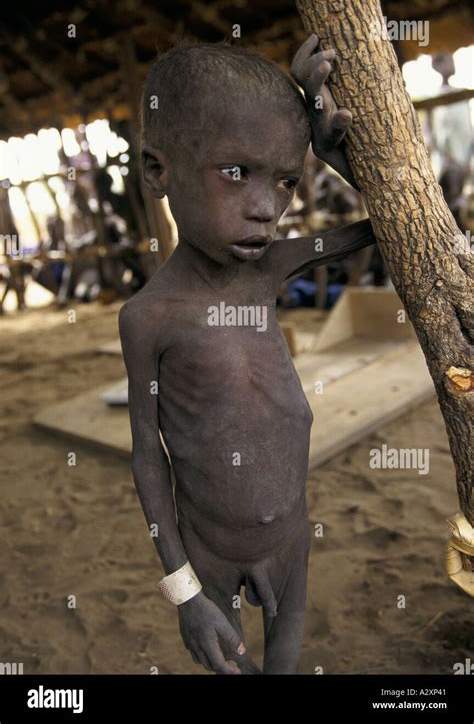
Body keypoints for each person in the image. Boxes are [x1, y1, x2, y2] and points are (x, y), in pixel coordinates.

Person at [119, 35, 375, 674]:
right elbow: (148, 456)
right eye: (236, 172)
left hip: (292, 536)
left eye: (286, 179)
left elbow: (394, 228)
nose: (267, 208)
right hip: (209, 554)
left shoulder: (270, 270)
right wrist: (184, 591)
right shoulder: (147, 318)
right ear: (159, 171)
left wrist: (332, 153)